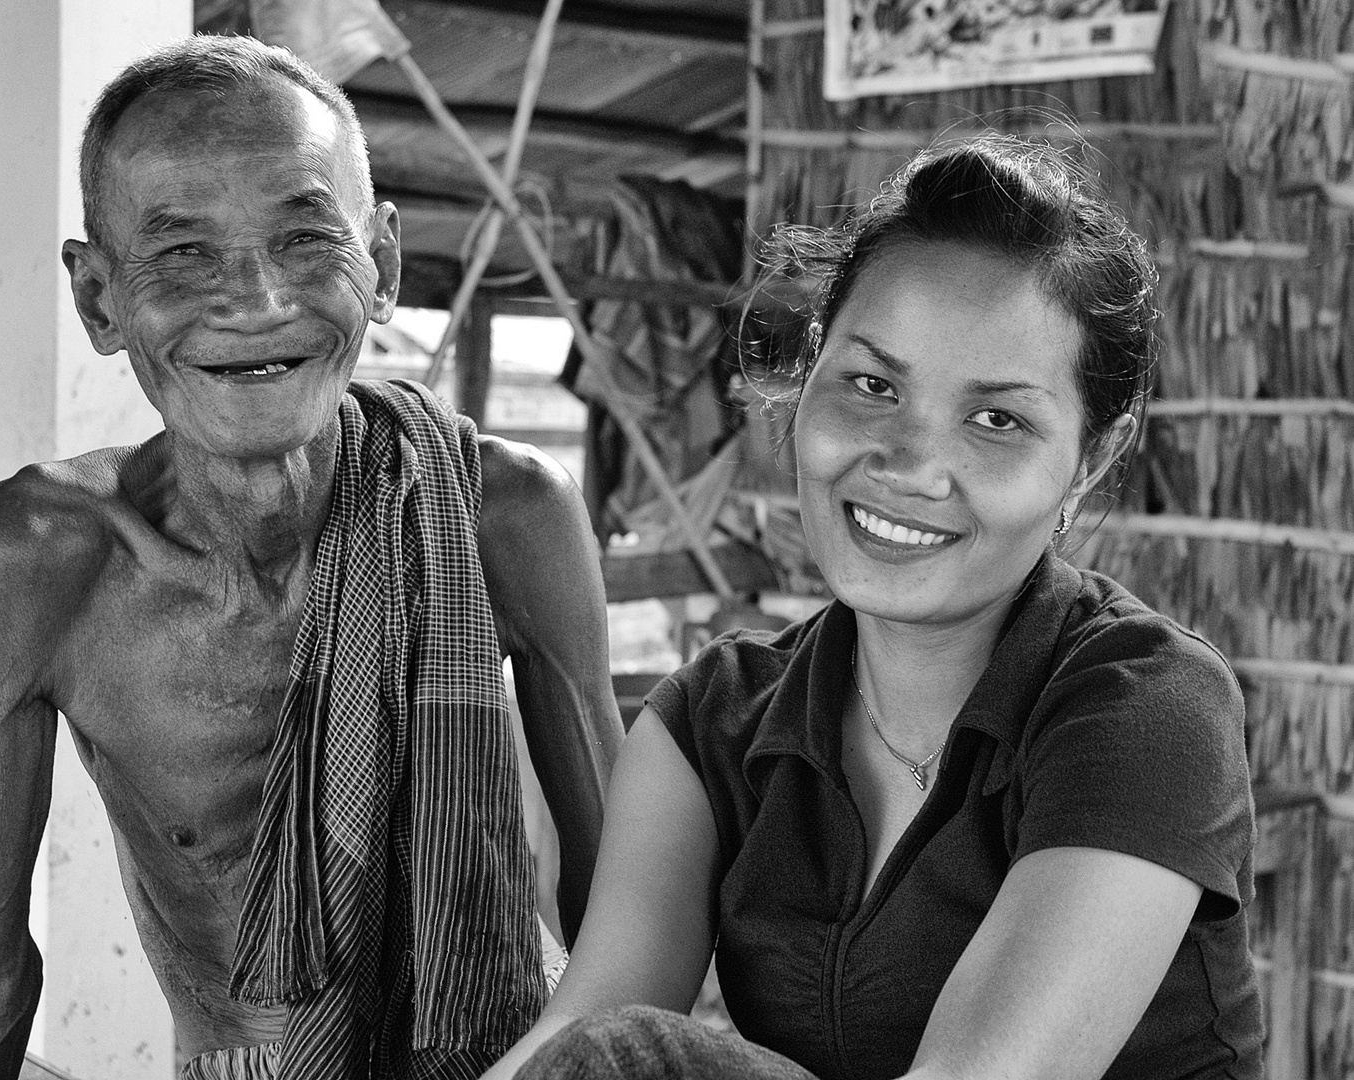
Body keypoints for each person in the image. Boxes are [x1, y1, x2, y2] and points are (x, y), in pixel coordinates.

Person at [0, 35, 624, 1080]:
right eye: (181, 252)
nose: (256, 301)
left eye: (303, 241)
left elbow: (625, 904)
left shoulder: (498, 512)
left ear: (384, 267)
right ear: (100, 299)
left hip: (507, 1050)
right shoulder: (41, 560)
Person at [486, 136, 1264, 1080]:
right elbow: (567, 1043)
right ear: (807, 375)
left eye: (996, 420)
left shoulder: (1144, 706)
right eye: (870, 384)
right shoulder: (710, 727)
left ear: (1092, 458)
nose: (905, 465)